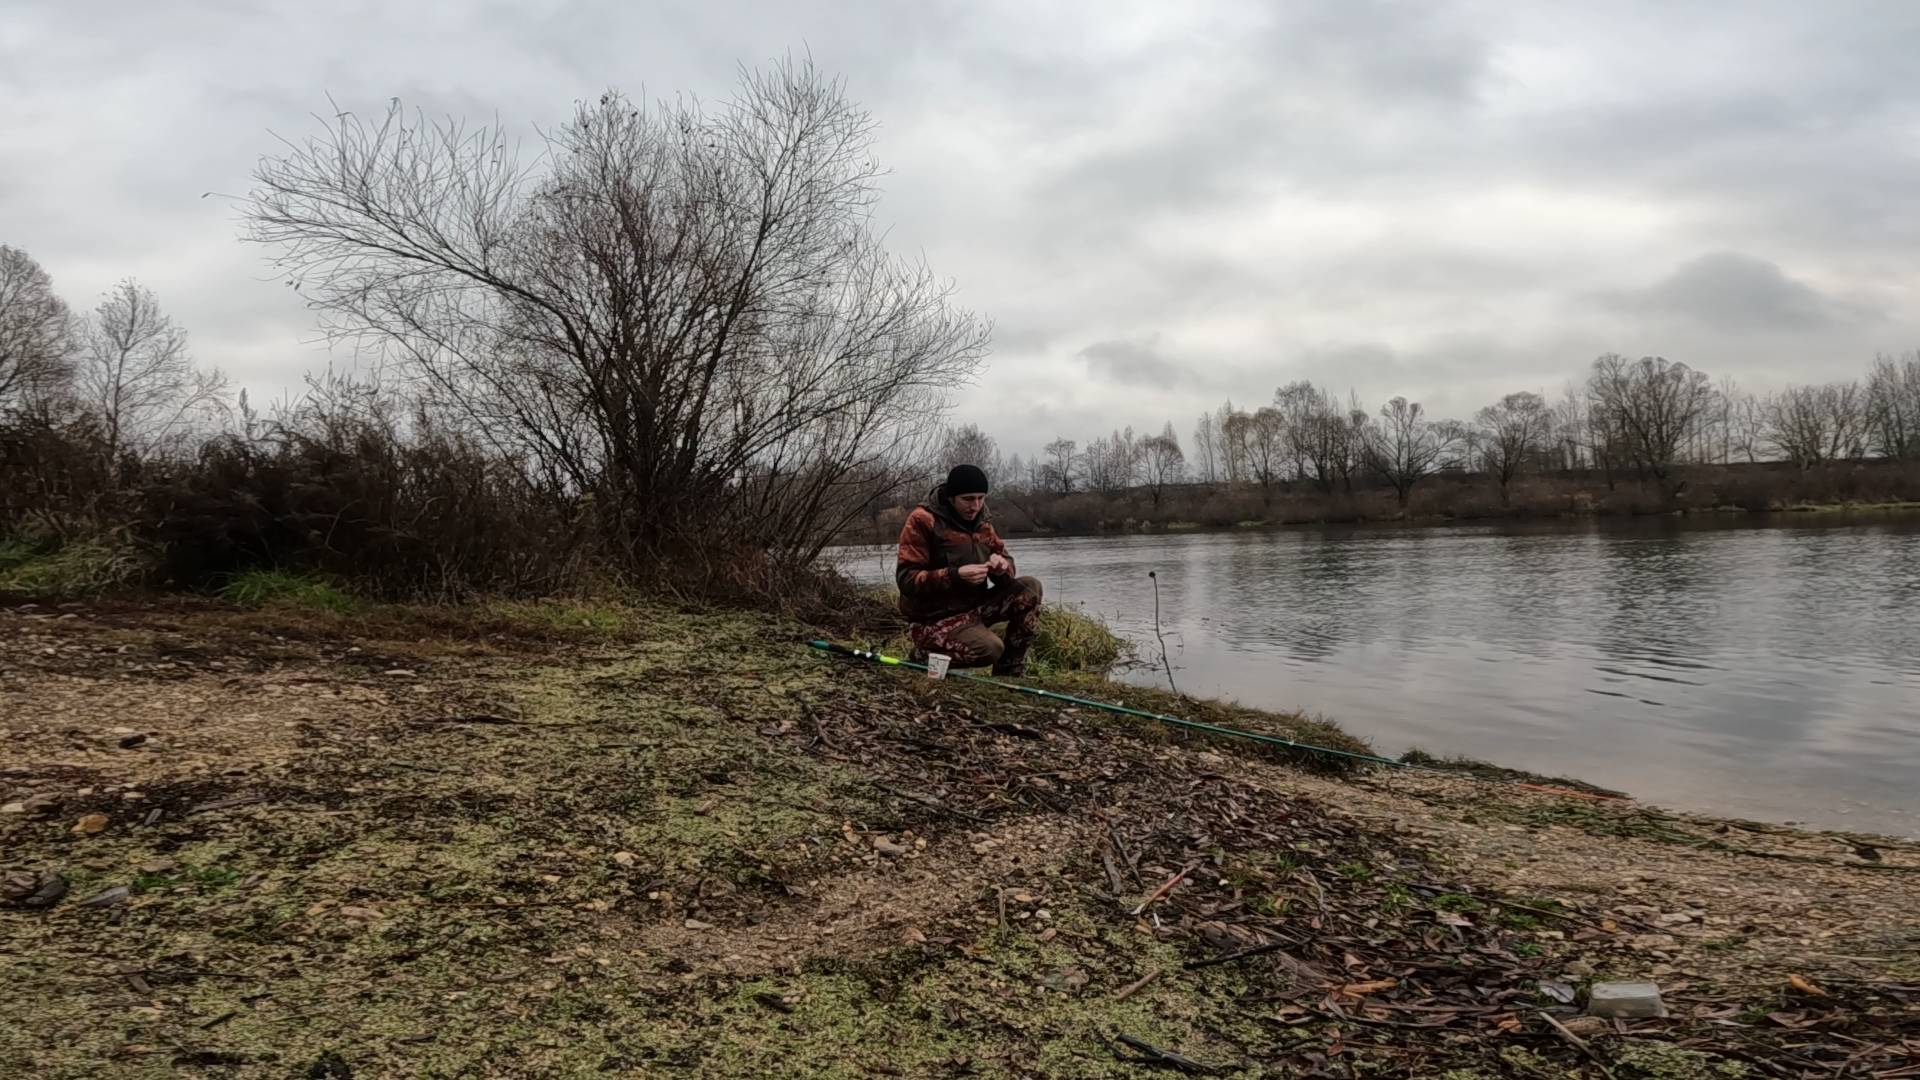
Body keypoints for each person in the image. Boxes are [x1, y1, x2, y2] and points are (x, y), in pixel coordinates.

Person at [895, 463, 1044, 676]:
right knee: (990, 649)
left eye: (981, 498)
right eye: (968, 499)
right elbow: (907, 579)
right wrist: (955, 576)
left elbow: (1006, 563)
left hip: (975, 607)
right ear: (951, 498)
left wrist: (1002, 567)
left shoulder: (983, 522)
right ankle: (922, 656)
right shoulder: (922, 520)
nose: (975, 506)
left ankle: (1010, 671)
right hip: (933, 618)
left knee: (1030, 587)